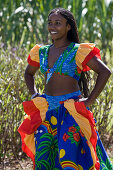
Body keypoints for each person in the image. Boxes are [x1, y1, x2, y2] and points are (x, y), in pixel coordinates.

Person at [18, 8, 113, 170]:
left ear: (68, 27)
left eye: (58, 23)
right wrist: (34, 93)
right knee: (45, 158)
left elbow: (105, 72)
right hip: (47, 113)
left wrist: (90, 100)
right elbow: (28, 73)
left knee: (72, 159)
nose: (52, 26)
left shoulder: (78, 51)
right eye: (50, 23)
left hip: (71, 112)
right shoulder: (42, 52)